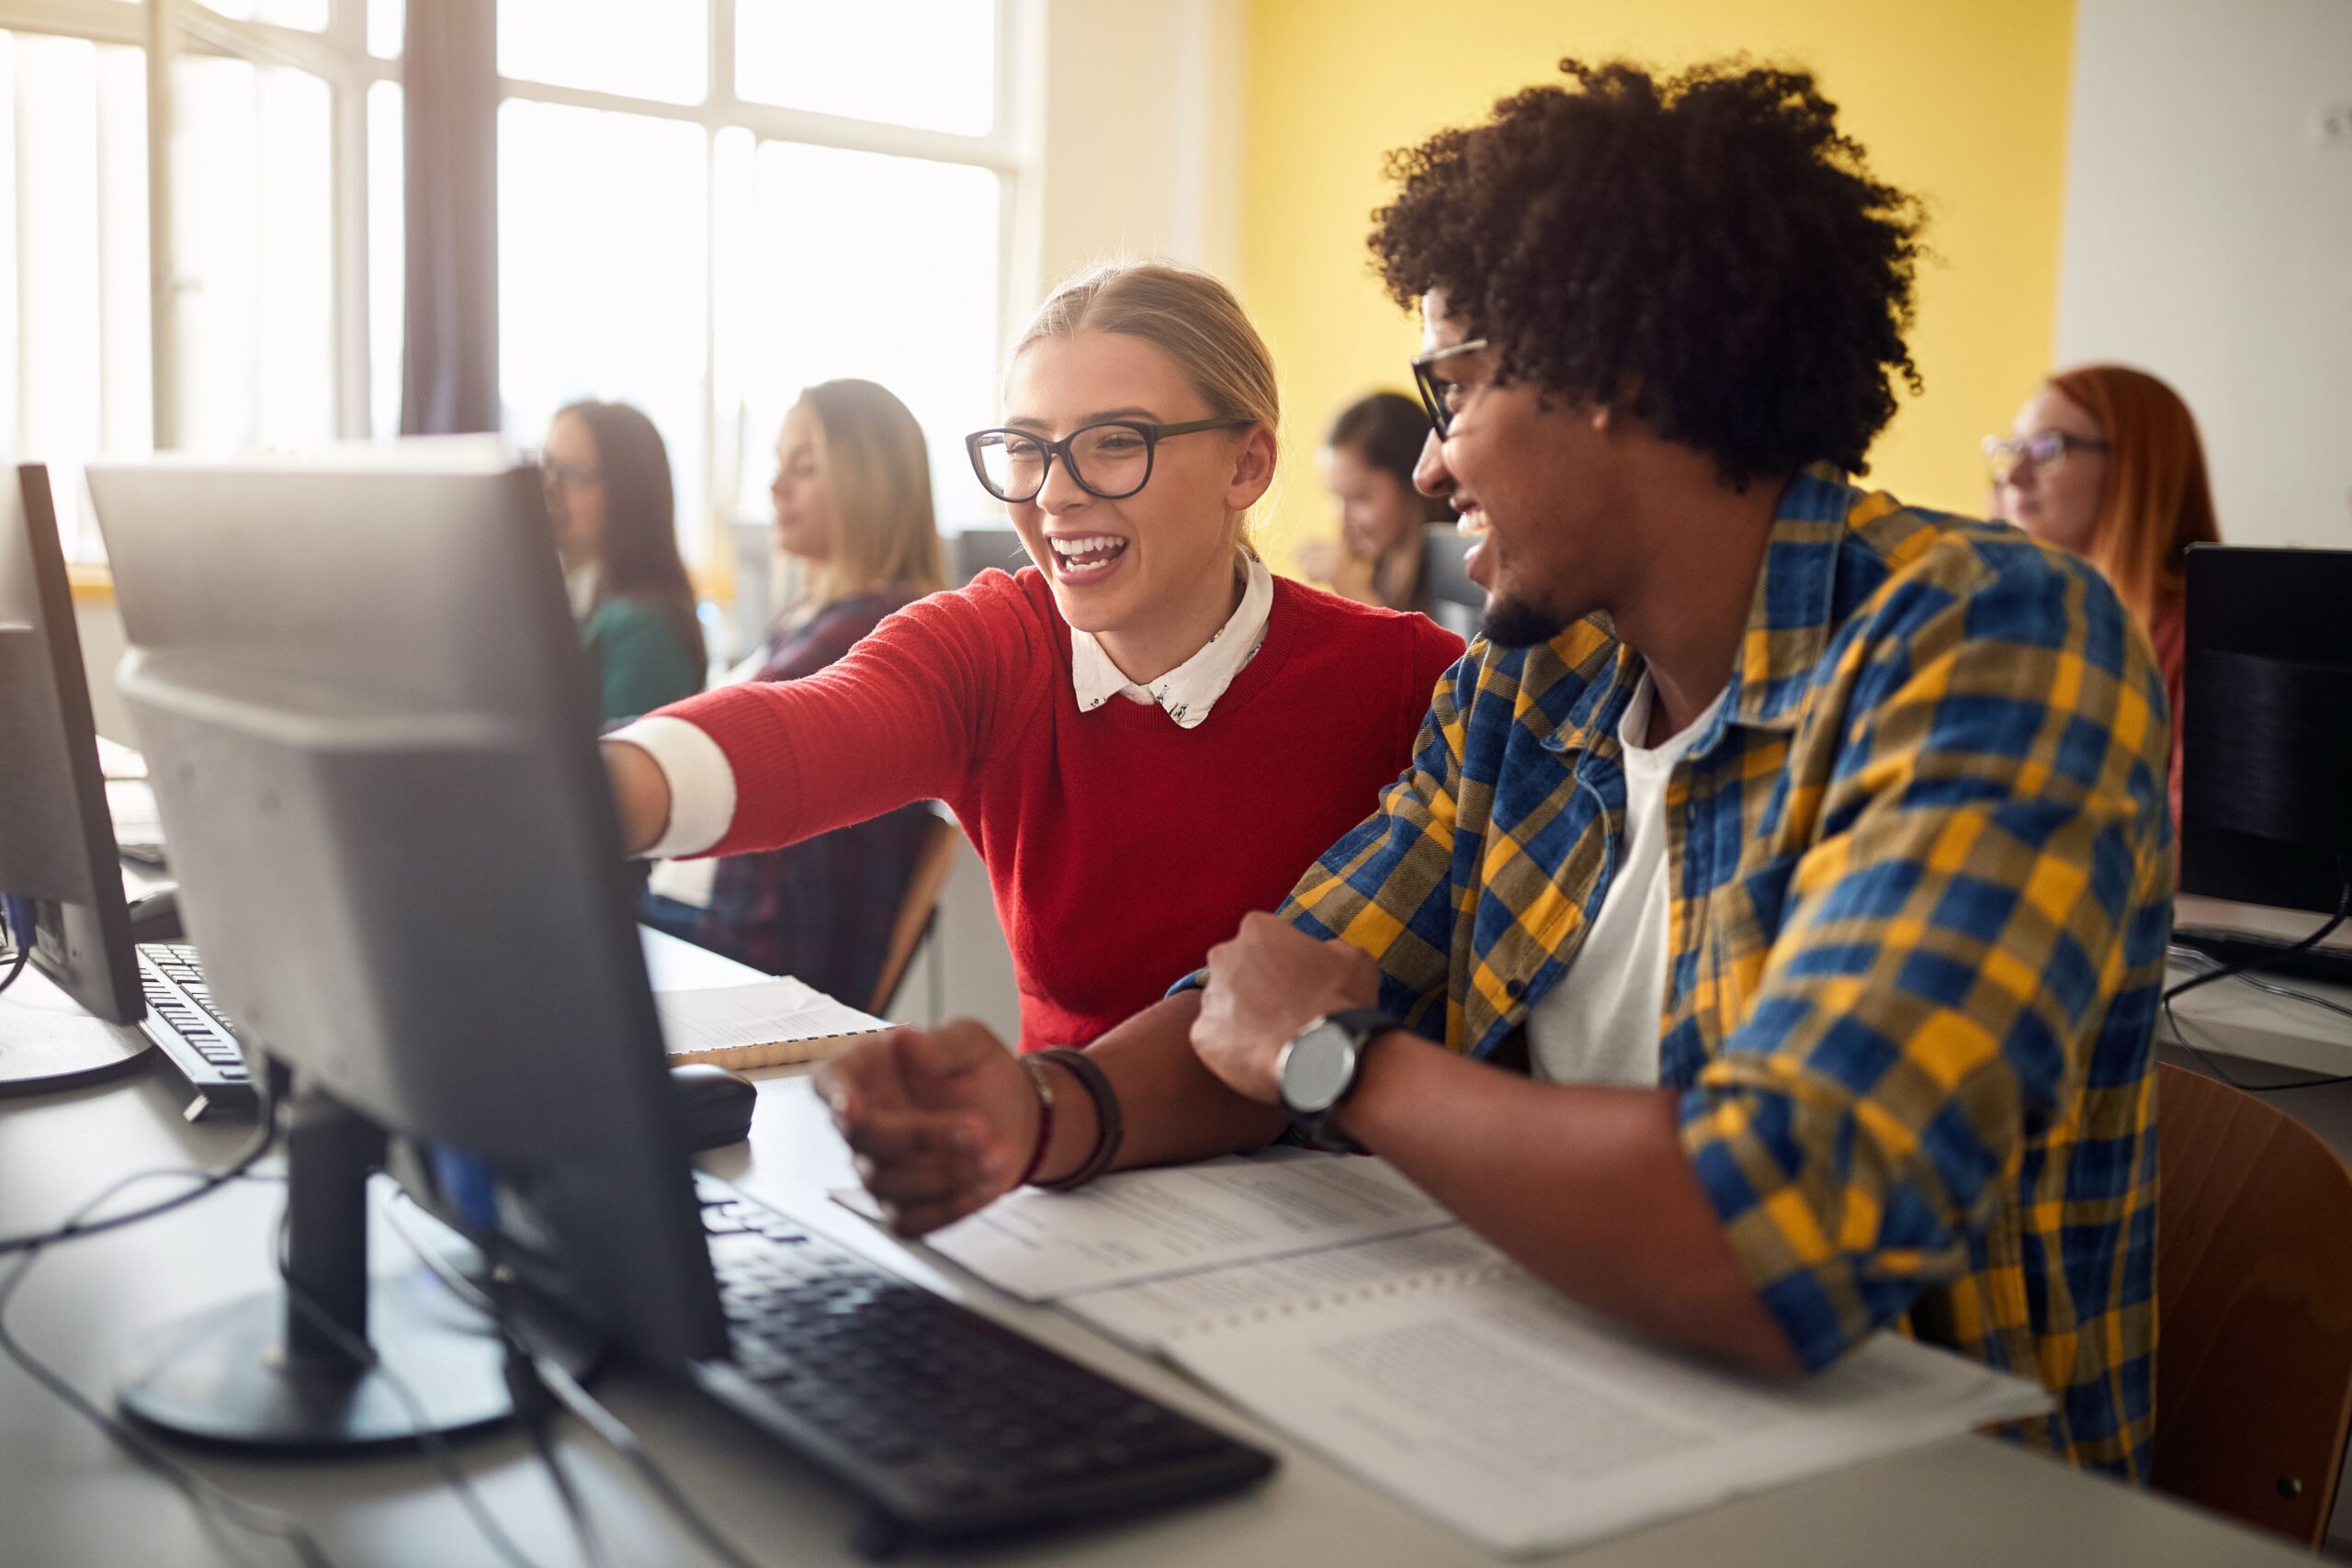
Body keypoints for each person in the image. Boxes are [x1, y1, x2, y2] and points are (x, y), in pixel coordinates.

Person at [819, 61, 2172, 1482]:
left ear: (1621, 377)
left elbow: (1787, 1230)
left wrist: (1340, 1060)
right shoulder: (1535, 688)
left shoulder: (1988, 638)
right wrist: (1042, 1112)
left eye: (1451, 391)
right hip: (1560, 1413)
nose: (1430, 470)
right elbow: (1273, 991)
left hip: (1918, 1494)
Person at [603, 262, 1465, 1046]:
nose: (1055, 494)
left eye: (1117, 441)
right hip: (1062, 1170)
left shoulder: (1406, 678)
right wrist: (586, 791)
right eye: (1026, 448)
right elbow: (812, 728)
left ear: (1246, 464)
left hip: (1322, 1194)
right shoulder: (996, 647)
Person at [643, 380, 948, 1008]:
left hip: (767, 955)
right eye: (779, 463)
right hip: (739, 928)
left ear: (872, 484)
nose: (777, 486)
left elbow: (712, 737)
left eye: (805, 467)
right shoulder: (810, 618)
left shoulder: (874, 627)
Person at [1986, 365, 2221, 824]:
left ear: (2137, 466)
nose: (2013, 476)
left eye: (2046, 448)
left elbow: (2195, 845)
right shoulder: (2013, 629)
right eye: (2012, 448)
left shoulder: (2203, 642)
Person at [542, 400, 706, 723]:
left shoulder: (643, 628)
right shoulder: (576, 597)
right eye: (546, 465)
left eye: (572, 474)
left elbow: (610, 767)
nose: (549, 487)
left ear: (628, 492)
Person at [1297, 390, 1453, 612]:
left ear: (1413, 483)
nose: (1343, 521)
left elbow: (1442, 647)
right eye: (1337, 498)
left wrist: (1355, 593)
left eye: (1360, 496)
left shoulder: (1458, 572)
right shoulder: (1383, 576)